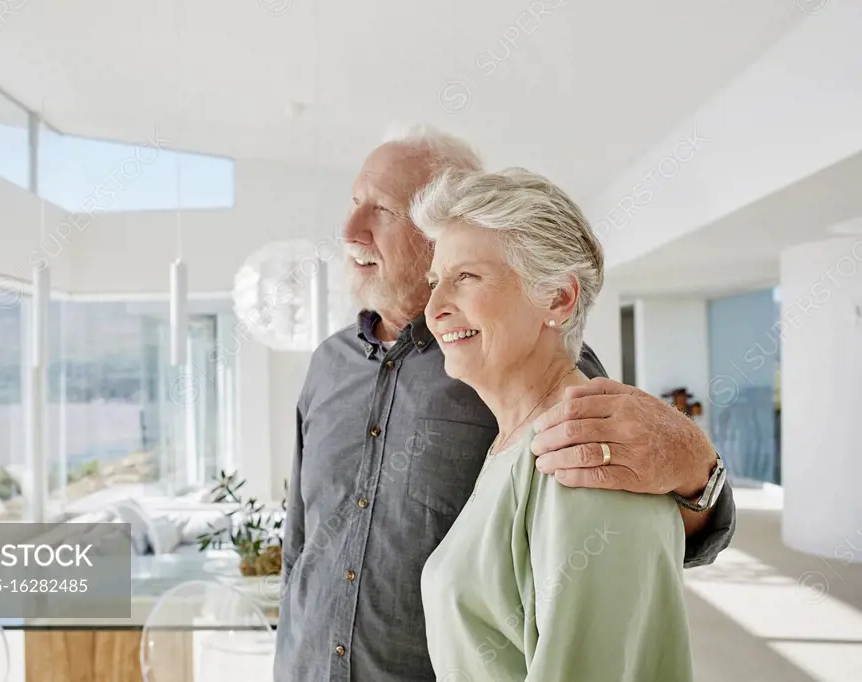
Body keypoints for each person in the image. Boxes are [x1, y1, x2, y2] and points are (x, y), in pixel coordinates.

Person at [274, 125, 733, 682]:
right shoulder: (329, 364)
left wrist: (698, 471)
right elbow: (299, 541)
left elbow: (629, 505)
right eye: (353, 203)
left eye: (384, 210)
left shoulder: (539, 376)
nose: (349, 230)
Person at [415, 166, 693, 681]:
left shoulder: (587, 454)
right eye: (435, 282)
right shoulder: (516, 441)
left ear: (558, 300)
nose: (433, 309)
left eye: (466, 277)